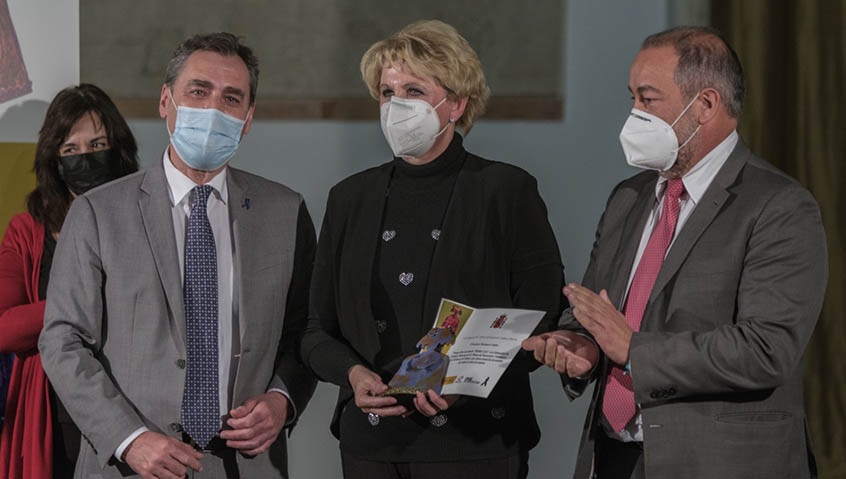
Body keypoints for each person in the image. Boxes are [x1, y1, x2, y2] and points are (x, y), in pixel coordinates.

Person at [523, 26, 827, 479]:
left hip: (721, 463)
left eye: (649, 99)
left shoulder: (779, 205)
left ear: (705, 105)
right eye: (632, 99)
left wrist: (633, 350)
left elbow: (768, 348)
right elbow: (596, 310)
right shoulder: (628, 196)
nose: (634, 115)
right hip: (613, 457)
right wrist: (581, 345)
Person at [38, 32, 317, 479]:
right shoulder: (98, 212)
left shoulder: (286, 212)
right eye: (198, 91)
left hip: (247, 465)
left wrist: (283, 399)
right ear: (165, 101)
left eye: (231, 98)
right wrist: (128, 438)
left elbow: (306, 329)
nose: (212, 110)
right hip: (131, 464)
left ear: (248, 118)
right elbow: (63, 340)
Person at [301, 20, 566, 479]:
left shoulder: (505, 189)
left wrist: (463, 379)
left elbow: (541, 314)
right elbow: (315, 330)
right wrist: (353, 375)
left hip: (474, 440)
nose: (397, 105)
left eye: (415, 91)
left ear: (456, 103)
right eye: (387, 92)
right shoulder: (349, 198)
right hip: (371, 443)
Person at [0, 83, 139, 479]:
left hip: (135, 412)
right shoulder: (28, 230)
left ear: (118, 149)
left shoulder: (146, 219)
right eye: (70, 150)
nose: (85, 159)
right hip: (50, 415)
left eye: (98, 144)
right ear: (53, 161)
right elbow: (2, 331)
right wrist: (82, 297)